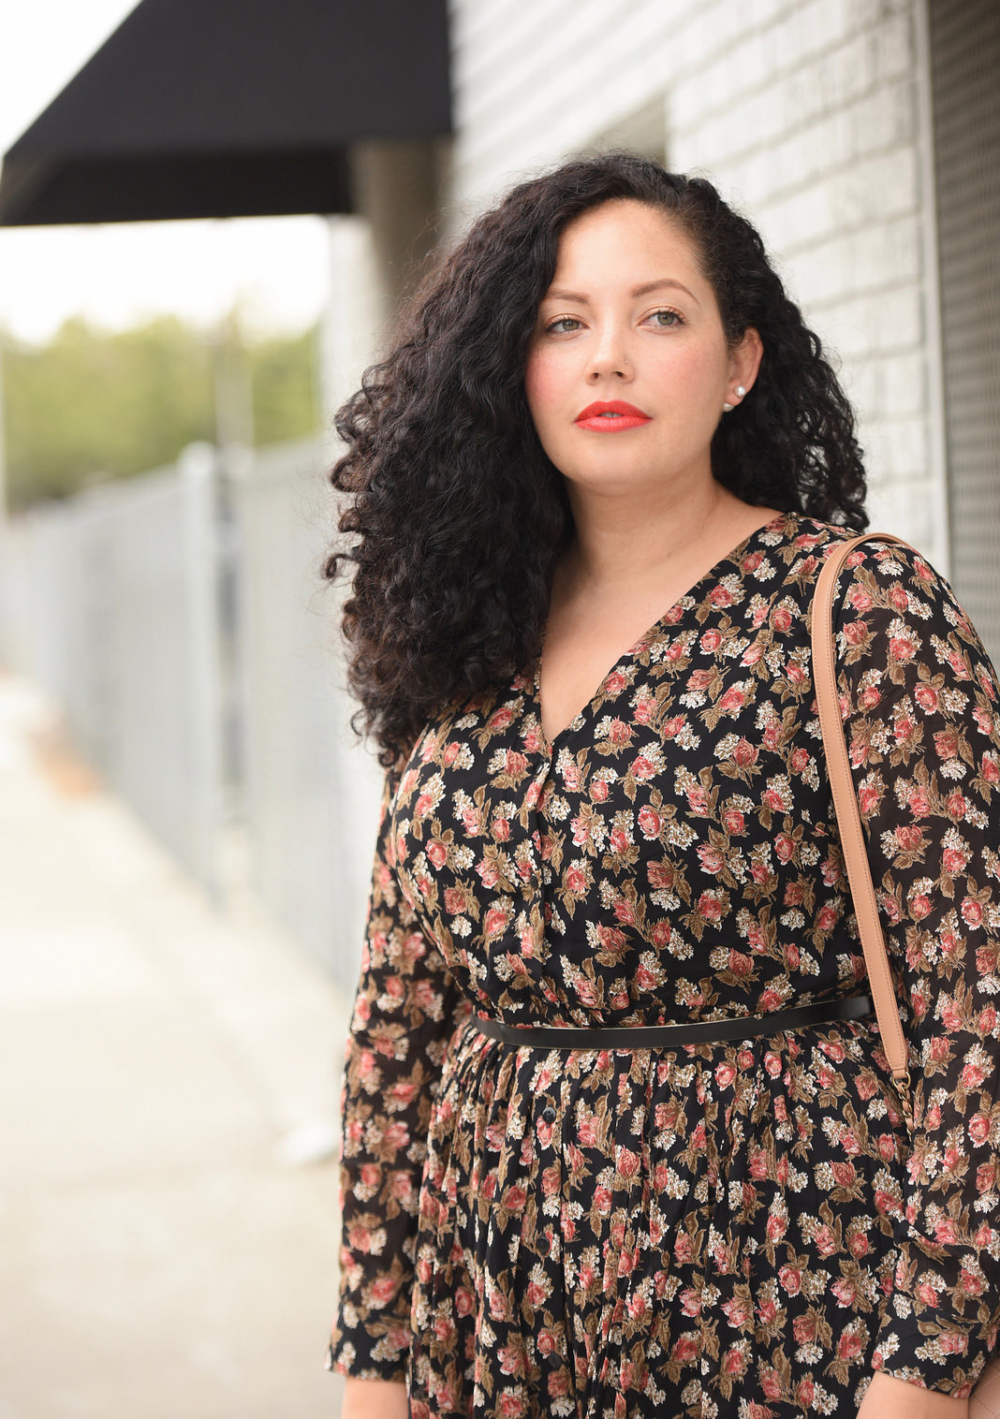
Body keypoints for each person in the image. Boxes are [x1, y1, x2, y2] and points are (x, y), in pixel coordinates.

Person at [321, 151, 1000, 1418]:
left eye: (660, 315)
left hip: (796, 1318)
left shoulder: (853, 613)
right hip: (500, 1334)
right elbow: (397, 1039)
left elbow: (982, 1007)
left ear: (740, 363)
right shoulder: (462, 637)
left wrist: (926, 1368)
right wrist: (373, 1360)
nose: (607, 358)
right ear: (505, 370)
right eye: (561, 323)